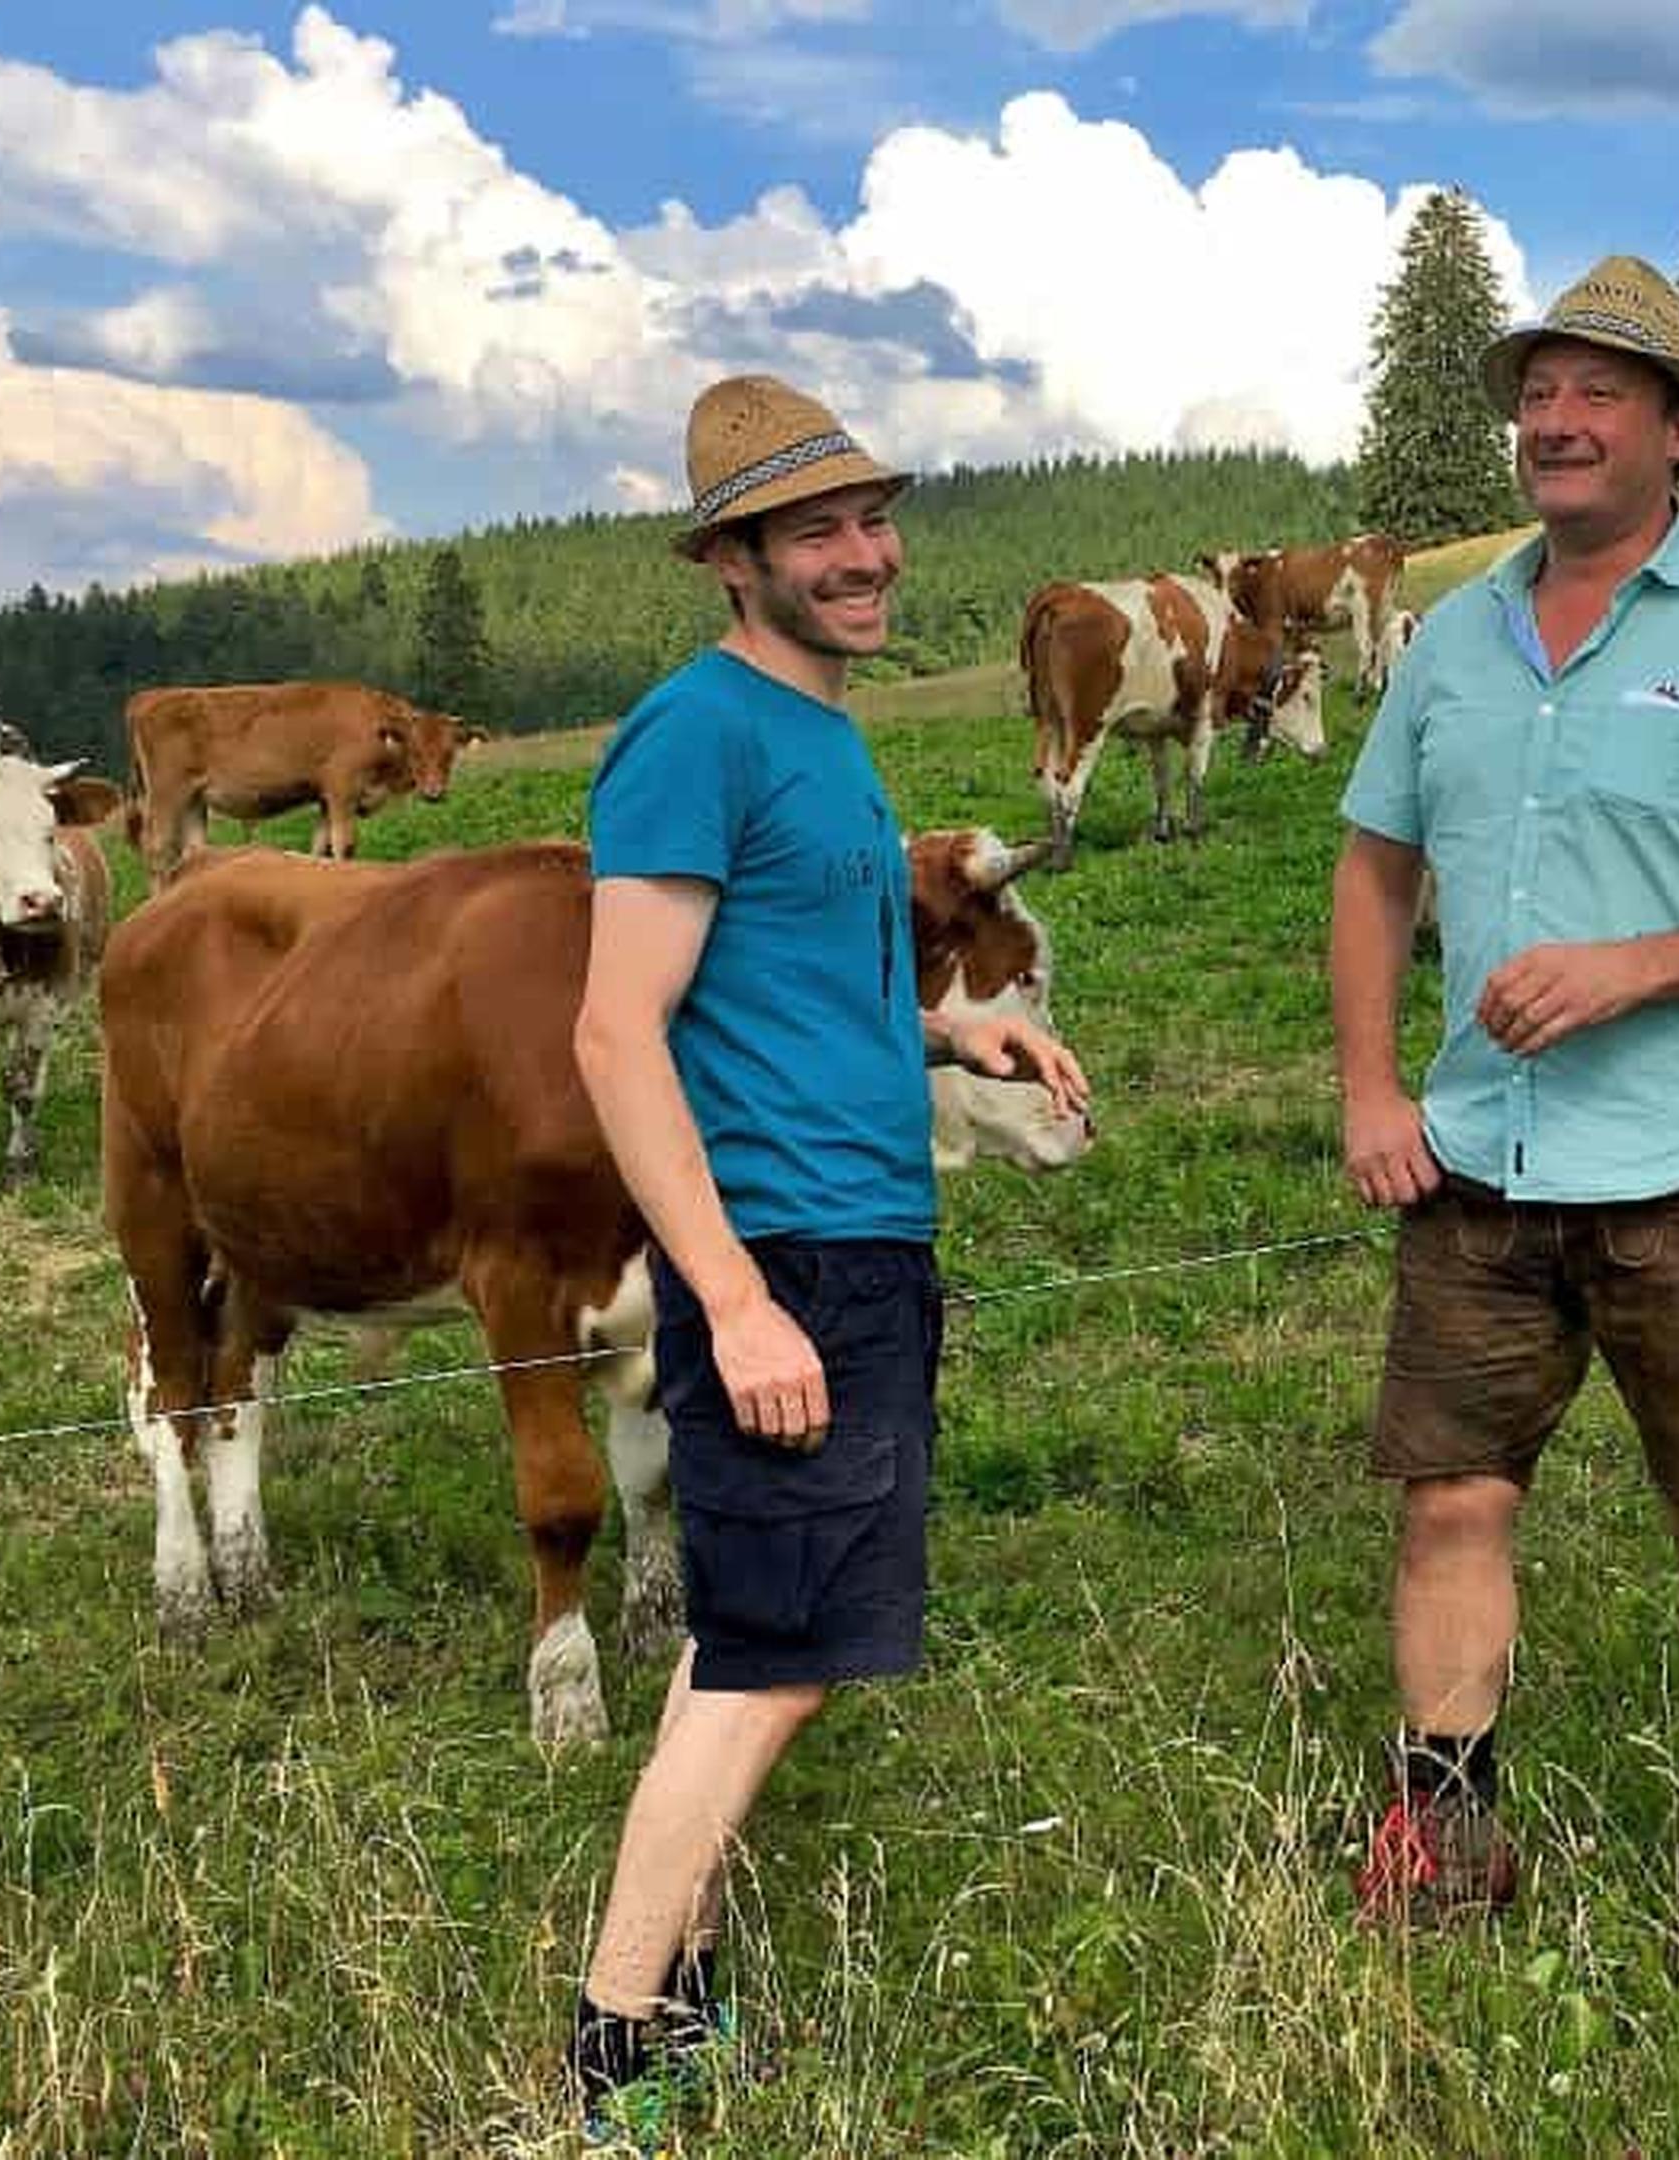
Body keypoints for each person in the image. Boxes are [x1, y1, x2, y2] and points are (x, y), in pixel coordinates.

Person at [1327, 256, 1679, 2012]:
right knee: (1448, 1508)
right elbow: (1372, 867)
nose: (1554, 422)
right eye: (1536, 394)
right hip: (1479, 1168)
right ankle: (1445, 1841)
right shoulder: (1455, 642)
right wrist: (1368, 1087)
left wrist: (1639, 969)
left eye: (1597, 393)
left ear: (1676, 431)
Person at [566, 373, 1090, 2137]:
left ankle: (674, 1994)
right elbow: (619, 1039)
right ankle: (616, 2041)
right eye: (818, 532)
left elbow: (788, 996)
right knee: (766, 1662)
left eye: (874, 519)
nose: (864, 555)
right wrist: (731, 1300)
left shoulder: (827, 740)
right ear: (734, 560)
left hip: (860, 1243)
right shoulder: (695, 737)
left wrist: (958, 1044)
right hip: (781, 1259)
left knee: (764, 1636)